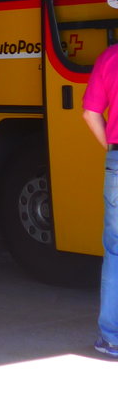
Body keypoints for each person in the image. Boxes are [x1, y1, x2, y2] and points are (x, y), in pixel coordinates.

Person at [81, 42, 118, 358]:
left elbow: (90, 112)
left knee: (116, 251)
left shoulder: (109, 57)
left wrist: (110, 147)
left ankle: (112, 338)